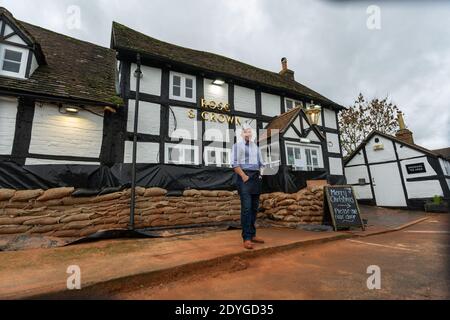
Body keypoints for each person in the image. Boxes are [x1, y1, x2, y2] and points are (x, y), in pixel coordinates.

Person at [231, 123, 265, 250]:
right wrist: (244, 176)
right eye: (245, 131)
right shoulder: (237, 146)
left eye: (250, 131)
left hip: (256, 178)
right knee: (246, 208)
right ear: (241, 133)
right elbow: (234, 164)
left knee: (254, 208)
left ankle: (253, 234)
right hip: (244, 177)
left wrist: (260, 175)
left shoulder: (255, 147)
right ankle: (246, 238)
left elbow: (262, 163)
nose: (248, 133)